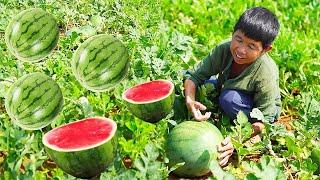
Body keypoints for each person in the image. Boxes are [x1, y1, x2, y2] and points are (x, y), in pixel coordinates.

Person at [183, 7, 281, 166]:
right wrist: (190, 99)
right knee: (203, 85)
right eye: (239, 39)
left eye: (251, 46)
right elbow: (194, 75)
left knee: (229, 99)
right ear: (233, 33)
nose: (240, 50)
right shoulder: (224, 50)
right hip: (227, 87)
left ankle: (230, 113)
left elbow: (266, 119)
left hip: (258, 109)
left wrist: (236, 140)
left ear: (265, 50)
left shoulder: (266, 73)